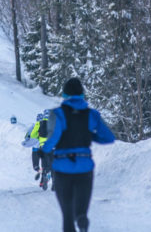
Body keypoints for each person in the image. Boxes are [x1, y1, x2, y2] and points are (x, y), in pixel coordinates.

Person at [42, 78, 115, 232]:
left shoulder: (57, 114)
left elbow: (52, 139)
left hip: (62, 169)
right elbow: (108, 137)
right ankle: (82, 220)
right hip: (84, 168)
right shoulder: (92, 114)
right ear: (82, 94)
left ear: (64, 94)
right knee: (80, 210)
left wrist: (44, 149)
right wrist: (89, 135)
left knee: (67, 215)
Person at [30, 110, 52, 189]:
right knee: (51, 164)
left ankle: (43, 178)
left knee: (44, 163)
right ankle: (49, 177)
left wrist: (37, 124)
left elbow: (33, 135)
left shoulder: (40, 123)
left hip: (42, 147)